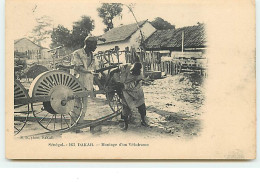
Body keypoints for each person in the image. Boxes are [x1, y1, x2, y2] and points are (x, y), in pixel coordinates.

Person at [114, 62, 149, 130]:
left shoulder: (139, 75)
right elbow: (114, 72)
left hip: (137, 91)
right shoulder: (125, 67)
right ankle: (125, 125)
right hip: (126, 93)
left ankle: (143, 121)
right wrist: (117, 80)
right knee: (126, 108)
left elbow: (136, 84)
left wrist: (124, 85)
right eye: (132, 71)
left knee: (142, 107)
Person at [71, 35, 97, 121]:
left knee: (84, 105)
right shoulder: (77, 53)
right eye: (94, 44)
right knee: (76, 104)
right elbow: (78, 67)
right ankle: (74, 125)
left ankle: (79, 124)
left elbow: (93, 69)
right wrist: (89, 71)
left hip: (87, 83)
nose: (96, 47)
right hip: (78, 82)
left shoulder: (92, 55)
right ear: (88, 44)